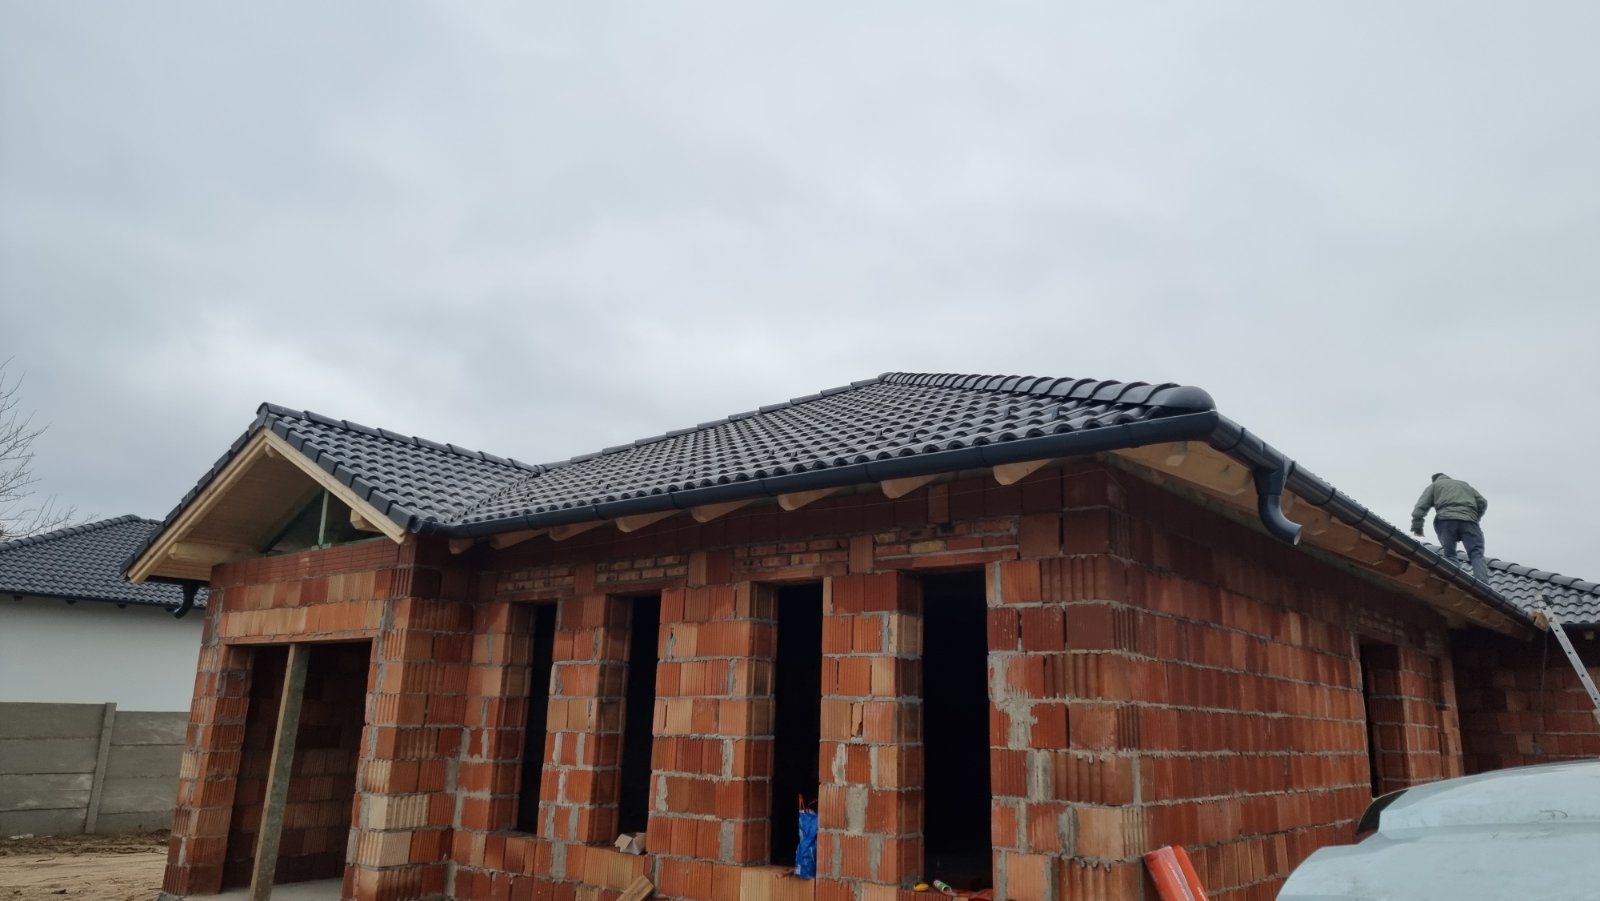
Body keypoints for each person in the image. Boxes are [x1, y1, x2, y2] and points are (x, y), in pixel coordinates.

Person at [1410, 473, 1489, 582]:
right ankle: (1483, 583)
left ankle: (1455, 581)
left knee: (1450, 554)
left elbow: (1421, 505)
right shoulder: (1465, 485)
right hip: (1470, 522)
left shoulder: (1435, 485)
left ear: (1435, 480)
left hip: (1446, 521)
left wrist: (1417, 526)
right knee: (1476, 553)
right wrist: (1474, 517)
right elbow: (1482, 502)